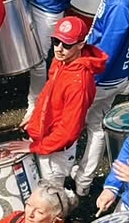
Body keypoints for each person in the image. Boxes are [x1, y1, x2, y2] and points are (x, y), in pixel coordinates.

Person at [26, 15, 106, 184]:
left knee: (52, 199)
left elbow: (68, 131)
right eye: (56, 41)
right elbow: (48, 94)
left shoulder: (79, 84)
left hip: (55, 150)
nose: (59, 48)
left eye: (67, 44)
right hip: (46, 140)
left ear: (81, 45)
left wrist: (35, 147)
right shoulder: (62, 61)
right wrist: (34, 119)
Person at [77, 0, 129, 196]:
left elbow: (106, 50)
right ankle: (84, 180)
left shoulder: (122, 3)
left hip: (102, 75)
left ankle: (83, 183)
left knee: (83, 123)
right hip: (117, 73)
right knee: (96, 123)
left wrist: (83, 75)